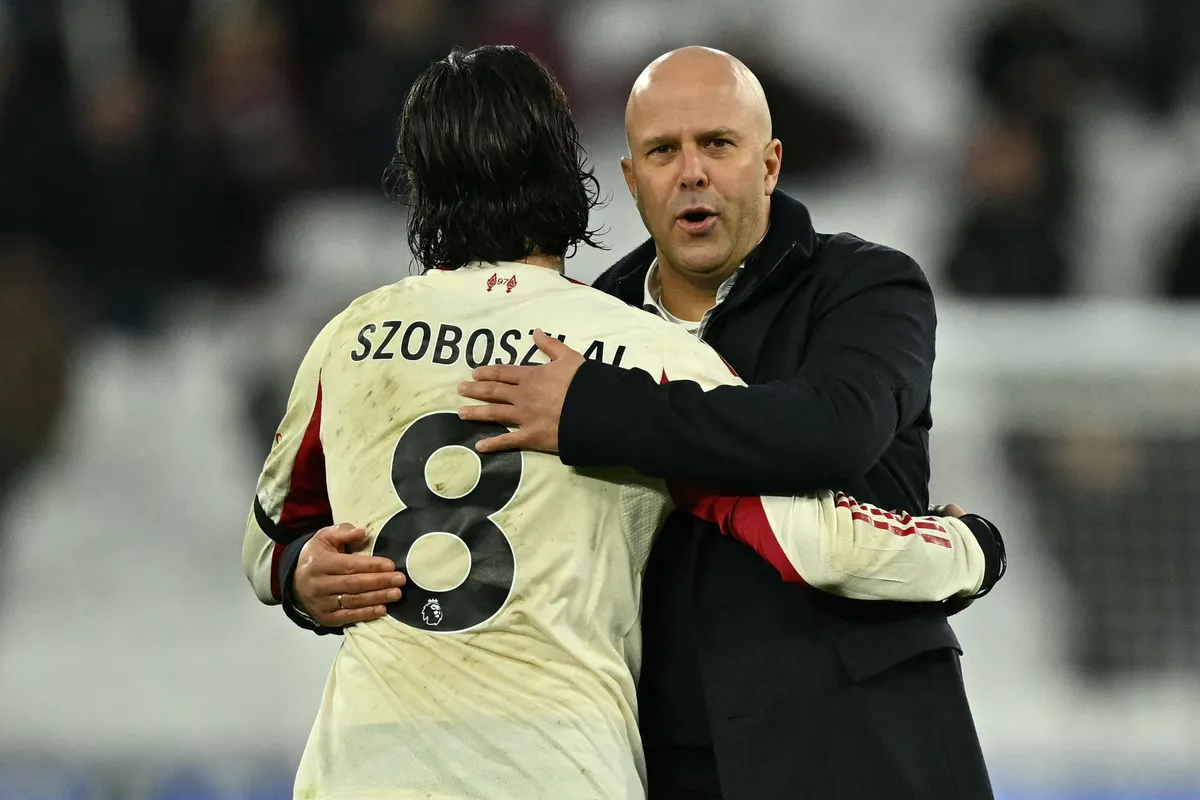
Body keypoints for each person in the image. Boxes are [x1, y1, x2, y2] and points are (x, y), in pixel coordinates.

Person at [244, 46, 1006, 799]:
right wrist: (968, 550)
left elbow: (272, 539)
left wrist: (300, 574)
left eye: (717, 144)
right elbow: (821, 541)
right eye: (664, 150)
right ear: (612, 180)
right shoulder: (617, 336)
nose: (693, 172)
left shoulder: (352, 336)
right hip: (589, 764)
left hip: (367, 768)